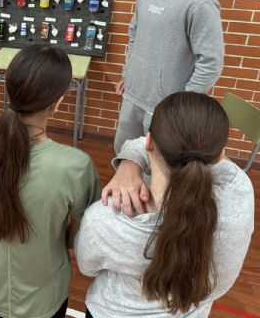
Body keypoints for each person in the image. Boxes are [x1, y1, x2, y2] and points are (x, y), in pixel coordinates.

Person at [75, 92, 254, 317]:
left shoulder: (105, 218)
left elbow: (87, 267)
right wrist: (130, 162)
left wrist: (130, 161)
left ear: (149, 142)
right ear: (221, 155)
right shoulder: (239, 190)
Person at [0, 44, 100, 318]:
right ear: (57, 102)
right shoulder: (75, 166)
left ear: (9, 87)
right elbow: (79, 233)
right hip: (43, 300)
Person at [114, 0, 224, 154]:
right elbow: (134, 34)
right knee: (123, 153)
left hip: (165, 108)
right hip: (133, 94)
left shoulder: (200, 2)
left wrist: (181, 105)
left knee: (155, 165)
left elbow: (211, 61)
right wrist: (129, 72)